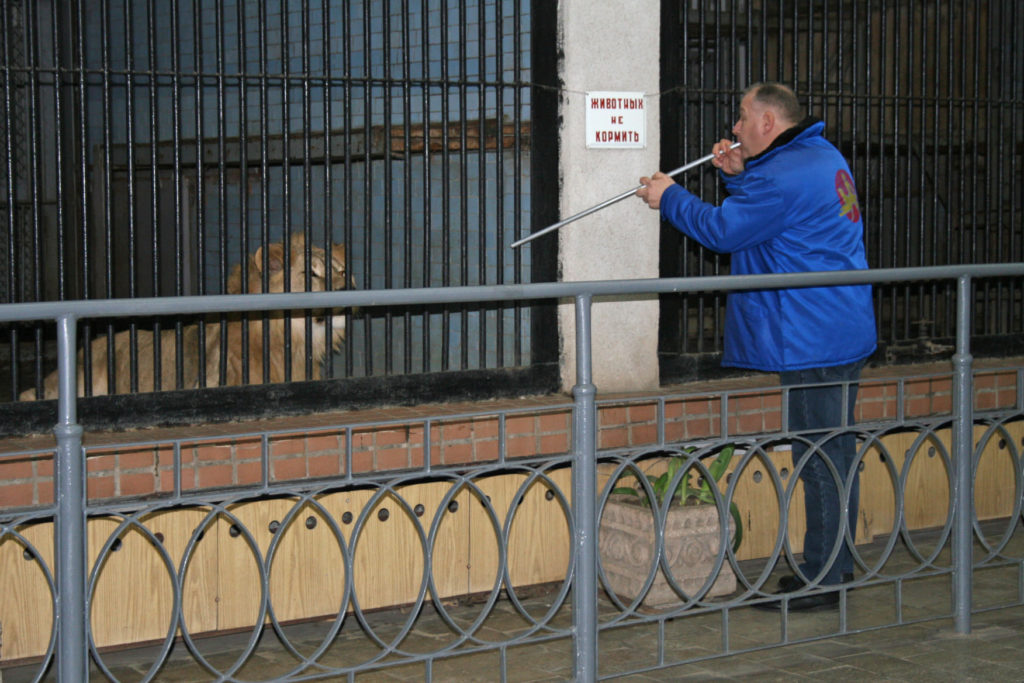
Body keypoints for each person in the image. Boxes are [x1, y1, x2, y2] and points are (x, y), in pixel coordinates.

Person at [636, 82, 876, 611]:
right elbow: (776, 224)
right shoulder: (819, 155)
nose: (736, 128)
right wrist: (742, 177)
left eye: (744, 118)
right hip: (838, 326)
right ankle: (831, 567)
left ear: (769, 123)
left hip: (815, 337)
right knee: (832, 452)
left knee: (819, 458)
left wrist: (668, 197)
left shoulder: (786, 174)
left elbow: (725, 233)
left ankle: (824, 581)